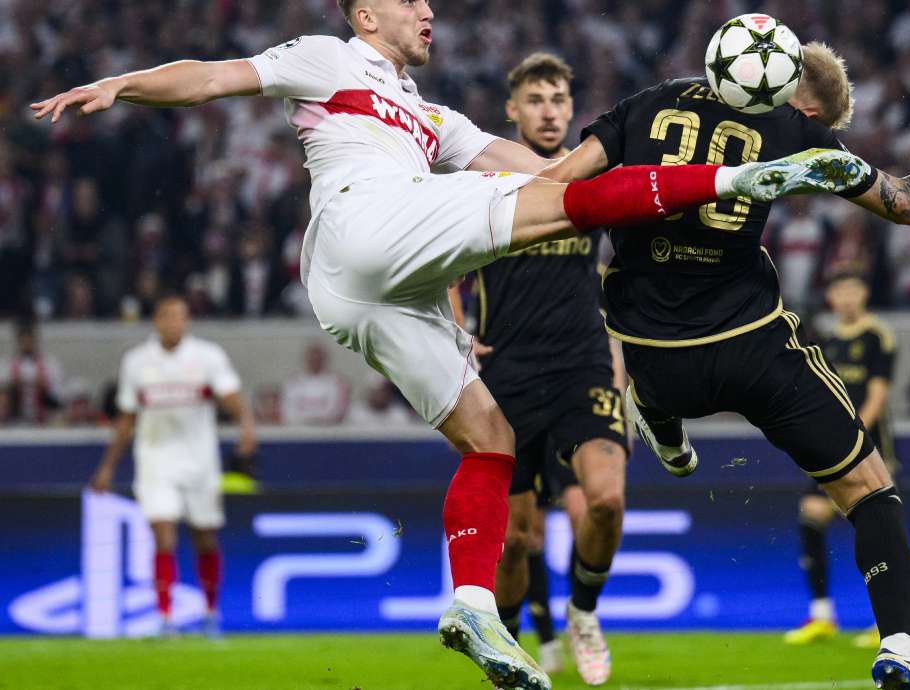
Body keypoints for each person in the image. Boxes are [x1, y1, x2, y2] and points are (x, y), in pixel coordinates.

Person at [32, 2, 867, 686]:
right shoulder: (330, 59)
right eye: (410, 2)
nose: (428, 12)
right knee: (557, 215)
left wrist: (630, 151)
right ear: (366, 16)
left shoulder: (434, 118)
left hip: (366, 289)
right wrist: (121, 84)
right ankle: (744, 179)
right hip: (365, 221)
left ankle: (471, 604)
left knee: (488, 438)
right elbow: (214, 77)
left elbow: (552, 172)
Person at [544, 39, 910, 690]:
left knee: (649, 362)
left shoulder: (647, 105)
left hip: (649, 348)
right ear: (797, 95)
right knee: (870, 491)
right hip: (750, 344)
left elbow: (558, 185)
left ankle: (656, 409)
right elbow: (907, 203)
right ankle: (900, 647)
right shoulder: (791, 128)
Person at [455, 53, 629, 686]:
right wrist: (456, 331)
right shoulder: (490, 178)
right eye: (536, 100)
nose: (549, 111)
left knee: (606, 501)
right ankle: (505, 657)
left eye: (558, 99)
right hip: (509, 372)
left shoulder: (585, 175)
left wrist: (623, 352)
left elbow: (624, 257)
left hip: (583, 362)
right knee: (516, 545)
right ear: (513, 110)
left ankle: (583, 613)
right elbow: (447, 261)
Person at [89, 295, 258, 638]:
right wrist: (108, 467)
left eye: (180, 316)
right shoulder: (137, 361)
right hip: (155, 459)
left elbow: (230, 395)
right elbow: (126, 418)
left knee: (204, 537)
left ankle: (210, 612)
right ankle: (166, 618)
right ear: (157, 321)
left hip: (200, 461)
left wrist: (245, 425)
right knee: (163, 535)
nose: (174, 323)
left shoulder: (208, 356)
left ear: (187, 321)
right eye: (168, 316)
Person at [784, 273, 897, 649]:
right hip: (831, 446)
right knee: (810, 517)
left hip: (867, 446)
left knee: (873, 527)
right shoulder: (827, 341)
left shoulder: (877, 336)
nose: (846, 297)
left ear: (865, 292)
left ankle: (888, 623)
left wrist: (856, 433)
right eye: (839, 291)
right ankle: (821, 615)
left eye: (853, 289)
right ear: (831, 297)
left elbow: (878, 394)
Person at [1, 318, 64, 425]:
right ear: (18, 341)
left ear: (36, 340)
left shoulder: (51, 365)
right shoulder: (5, 366)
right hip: (13, 423)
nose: (27, 343)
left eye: (30, 339)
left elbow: (59, 401)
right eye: (23, 340)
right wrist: (12, 387)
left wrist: (45, 388)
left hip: (44, 422)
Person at [281, 342, 351, 426]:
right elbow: (288, 411)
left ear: (324, 359)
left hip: (328, 431)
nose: (315, 360)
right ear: (305, 359)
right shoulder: (293, 382)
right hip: (299, 431)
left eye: (318, 358)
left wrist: (316, 420)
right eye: (312, 358)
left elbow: (336, 412)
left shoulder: (337, 382)